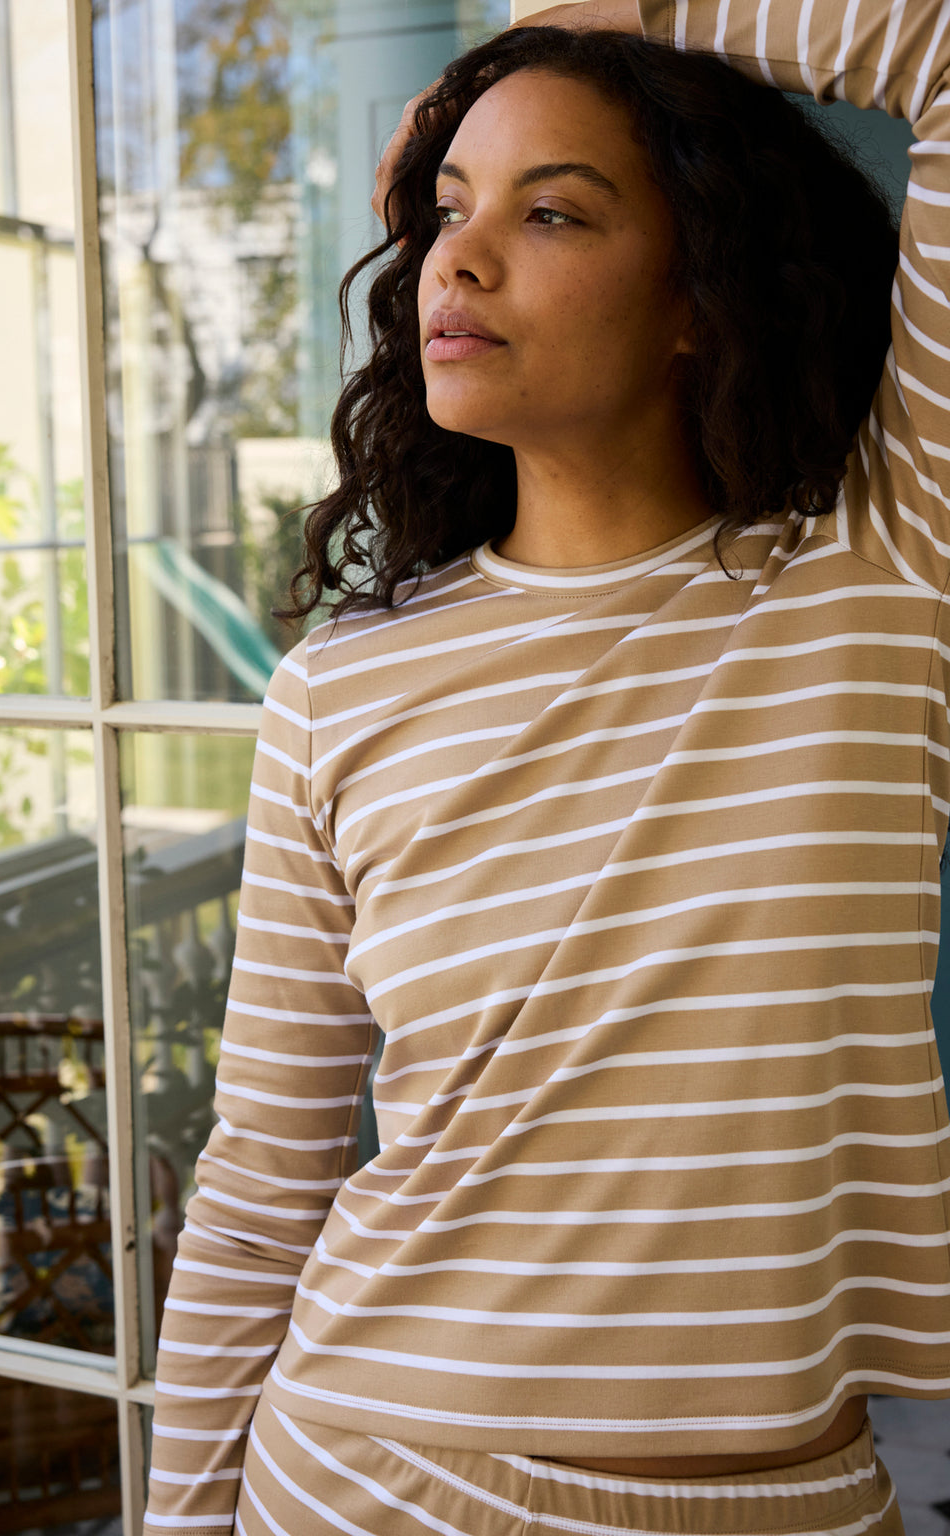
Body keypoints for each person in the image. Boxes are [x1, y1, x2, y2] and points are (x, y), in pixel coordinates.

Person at [143, 0, 950, 1531]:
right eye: (450, 210)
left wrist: (603, 14)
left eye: (552, 210)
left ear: (698, 294)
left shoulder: (879, 581)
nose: (458, 257)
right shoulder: (338, 690)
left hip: (791, 1498)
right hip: (363, 1479)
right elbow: (261, 1188)